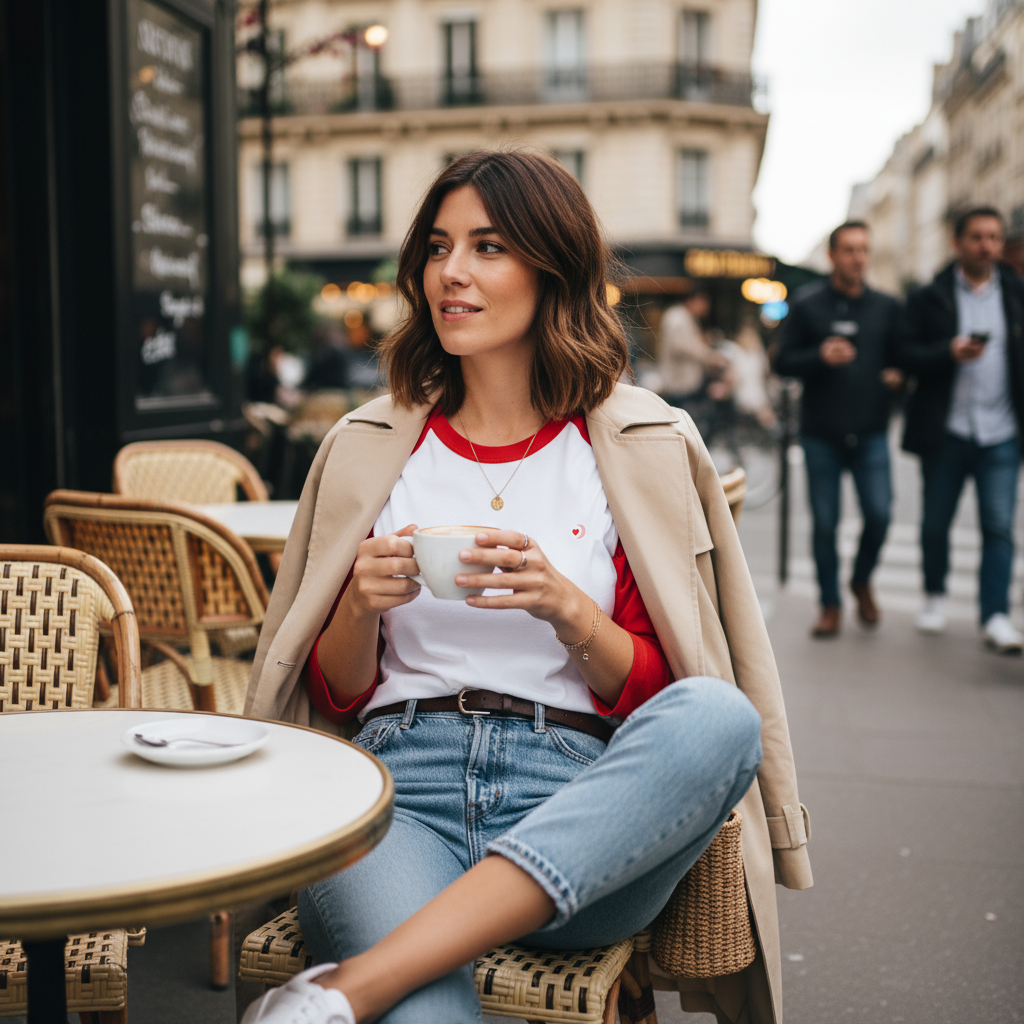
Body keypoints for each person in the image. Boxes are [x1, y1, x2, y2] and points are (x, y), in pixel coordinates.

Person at [242, 151, 811, 1024]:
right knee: (424, 1012)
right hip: (399, 795)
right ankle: (397, 978)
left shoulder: (633, 448)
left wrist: (568, 610)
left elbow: (663, 693)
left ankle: (351, 988)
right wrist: (358, 602)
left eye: (488, 248)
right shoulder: (372, 444)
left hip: (582, 804)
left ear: (553, 271)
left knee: (719, 717)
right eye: (438, 247)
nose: (451, 273)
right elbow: (337, 693)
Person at [899, 206, 1024, 652]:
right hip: (947, 430)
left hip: (1002, 431)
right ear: (958, 242)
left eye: (993, 237)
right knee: (936, 523)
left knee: (999, 527)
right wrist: (946, 352)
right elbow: (905, 353)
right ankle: (934, 596)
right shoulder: (930, 295)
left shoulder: (1014, 291)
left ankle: (995, 616)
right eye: (977, 237)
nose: (987, 245)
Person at [775, 221, 902, 637]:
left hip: (871, 432)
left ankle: (861, 579)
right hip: (820, 434)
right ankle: (829, 604)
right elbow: (782, 361)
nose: (857, 257)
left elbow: (904, 357)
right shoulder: (809, 303)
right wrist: (818, 356)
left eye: (863, 249)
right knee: (825, 525)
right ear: (832, 255)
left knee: (880, 515)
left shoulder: (886, 306)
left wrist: (899, 377)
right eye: (848, 250)